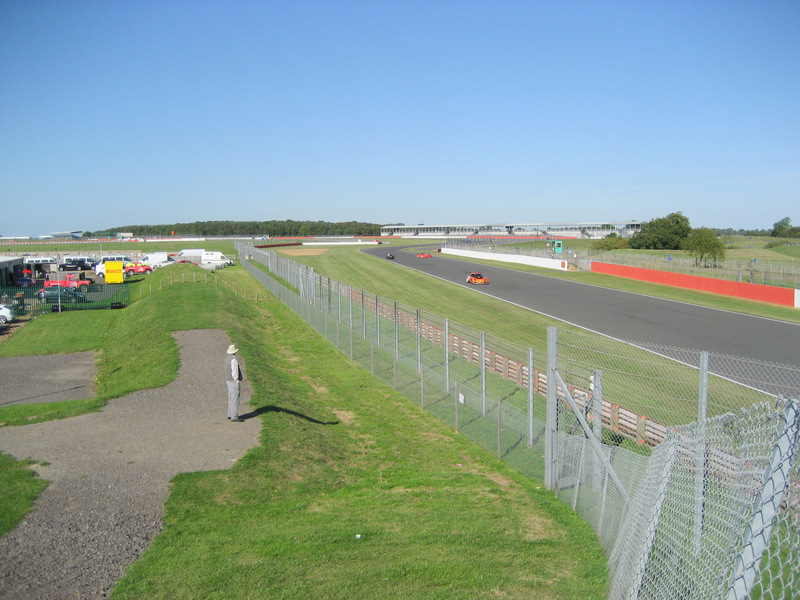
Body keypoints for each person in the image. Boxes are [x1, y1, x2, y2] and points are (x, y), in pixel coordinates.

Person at [224, 344, 243, 422]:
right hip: (233, 381)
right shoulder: (233, 360)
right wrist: (237, 381)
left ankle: (230, 414)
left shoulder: (227, 359)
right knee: (235, 399)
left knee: (230, 398)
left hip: (228, 380)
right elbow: (234, 372)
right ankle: (234, 416)